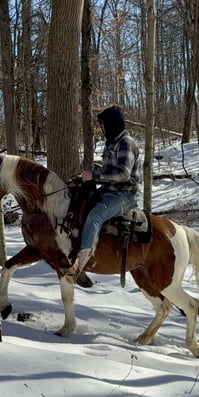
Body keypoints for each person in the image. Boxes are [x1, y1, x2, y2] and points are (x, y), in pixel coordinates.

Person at [65, 105, 141, 283]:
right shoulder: (112, 143)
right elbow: (109, 169)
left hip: (124, 195)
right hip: (108, 191)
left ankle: (79, 266)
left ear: (113, 124)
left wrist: (95, 175)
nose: (102, 128)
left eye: (103, 125)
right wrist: (88, 175)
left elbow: (123, 174)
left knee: (95, 216)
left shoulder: (126, 143)